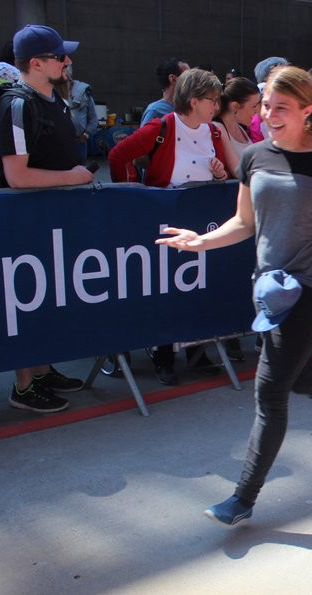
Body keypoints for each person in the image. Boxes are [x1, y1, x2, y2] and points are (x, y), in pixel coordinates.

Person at [156, 66, 312, 528]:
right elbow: (244, 223)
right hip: (269, 291)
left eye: (281, 108)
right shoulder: (255, 157)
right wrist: (200, 241)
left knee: (270, 390)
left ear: (305, 110)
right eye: (265, 108)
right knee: (299, 380)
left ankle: (242, 499)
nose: (270, 116)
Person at [109, 69, 237, 384]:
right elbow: (118, 156)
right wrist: (133, 196)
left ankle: (198, 352)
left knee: (199, 289)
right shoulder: (161, 127)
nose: (216, 105)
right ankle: (163, 355)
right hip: (165, 224)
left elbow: (223, 174)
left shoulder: (215, 132)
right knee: (167, 291)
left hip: (201, 223)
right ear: (194, 101)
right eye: (212, 100)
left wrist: (220, 176)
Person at [0, 24, 91, 412]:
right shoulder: (17, 105)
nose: (67, 62)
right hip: (24, 225)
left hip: (55, 223)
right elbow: (16, 175)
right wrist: (73, 178)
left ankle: (42, 368)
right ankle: (23, 385)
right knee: (24, 302)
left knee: (48, 302)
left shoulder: (58, 101)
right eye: (59, 56)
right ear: (36, 63)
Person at [213, 76, 260, 171]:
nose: (257, 111)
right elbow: (237, 170)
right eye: (254, 106)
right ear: (235, 106)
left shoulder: (240, 128)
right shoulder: (218, 128)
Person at [62, 64, 97, 165]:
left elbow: (93, 120)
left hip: (79, 143)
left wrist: (85, 135)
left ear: (70, 77)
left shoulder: (84, 93)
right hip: (60, 144)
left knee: (80, 174)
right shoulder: (51, 92)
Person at [141, 58, 189, 126]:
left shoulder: (189, 108)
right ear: (173, 79)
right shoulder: (155, 111)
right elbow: (145, 136)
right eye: (188, 76)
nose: (192, 81)